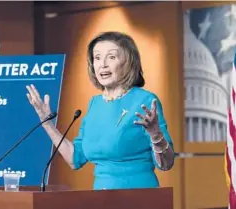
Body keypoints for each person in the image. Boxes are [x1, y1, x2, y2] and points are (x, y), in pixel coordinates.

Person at [26, 31, 175, 190]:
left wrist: (155, 134)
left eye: (111, 57)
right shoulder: (95, 103)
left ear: (129, 62)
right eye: (97, 57)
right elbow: (75, 158)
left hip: (138, 197)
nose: (102, 64)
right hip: (101, 199)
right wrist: (47, 124)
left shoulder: (144, 101)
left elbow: (166, 164)